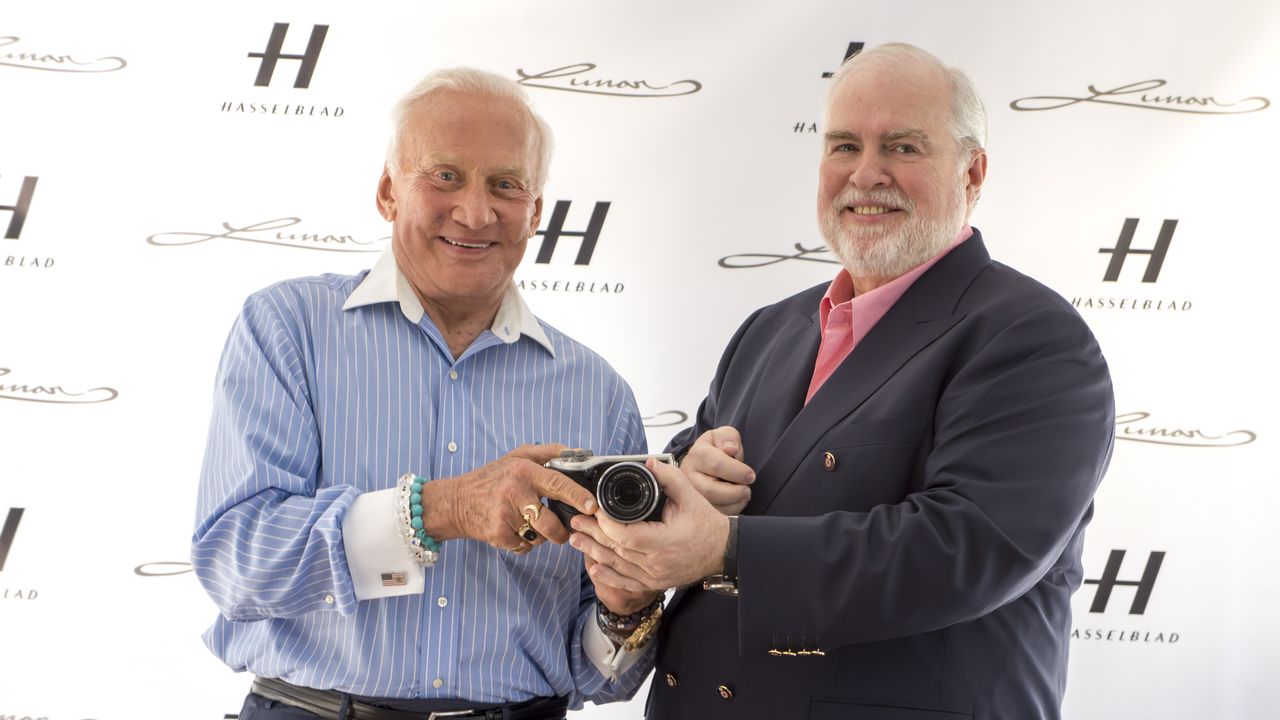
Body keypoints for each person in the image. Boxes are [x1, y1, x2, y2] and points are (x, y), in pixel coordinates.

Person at [569, 43, 1115, 719]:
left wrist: (723, 547)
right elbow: (685, 519)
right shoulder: (768, 330)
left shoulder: (1031, 337)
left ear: (972, 172)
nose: (866, 174)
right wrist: (675, 497)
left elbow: (967, 549)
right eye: (845, 146)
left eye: (904, 147)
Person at [191, 68, 660, 720]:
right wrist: (439, 510)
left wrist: (625, 606)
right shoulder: (288, 329)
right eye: (445, 176)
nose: (475, 212)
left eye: (506, 185)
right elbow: (237, 563)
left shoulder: (599, 392)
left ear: (535, 213)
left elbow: (601, 676)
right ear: (388, 192)